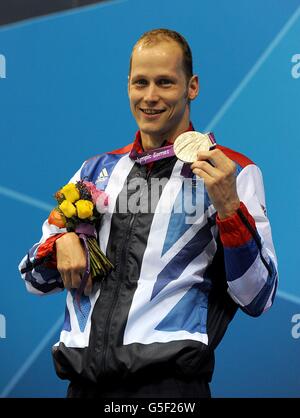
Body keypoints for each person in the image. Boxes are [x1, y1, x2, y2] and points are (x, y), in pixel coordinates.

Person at [19, 28, 278, 398]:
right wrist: (60, 245)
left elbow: (258, 297)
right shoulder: (95, 172)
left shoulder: (233, 172)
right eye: (140, 82)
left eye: (165, 83)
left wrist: (229, 209)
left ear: (192, 87)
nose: (150, 97)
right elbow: (33, 279)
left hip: (170, 390)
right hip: (83, 387)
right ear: (128, 86)